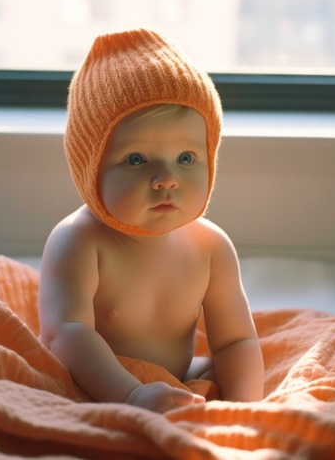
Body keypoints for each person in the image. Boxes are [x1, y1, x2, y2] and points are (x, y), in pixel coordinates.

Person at [38, 28, 264, 413]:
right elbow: (64, 335)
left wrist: (246, 406)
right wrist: (130, 394)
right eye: (137, 159)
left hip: (167, 387)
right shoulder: (78, 241)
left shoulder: (210, 247)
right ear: (89, 170)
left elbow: (235, 341)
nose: (167, 179)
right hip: (95, 389)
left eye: (187, 159)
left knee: (219, 371)